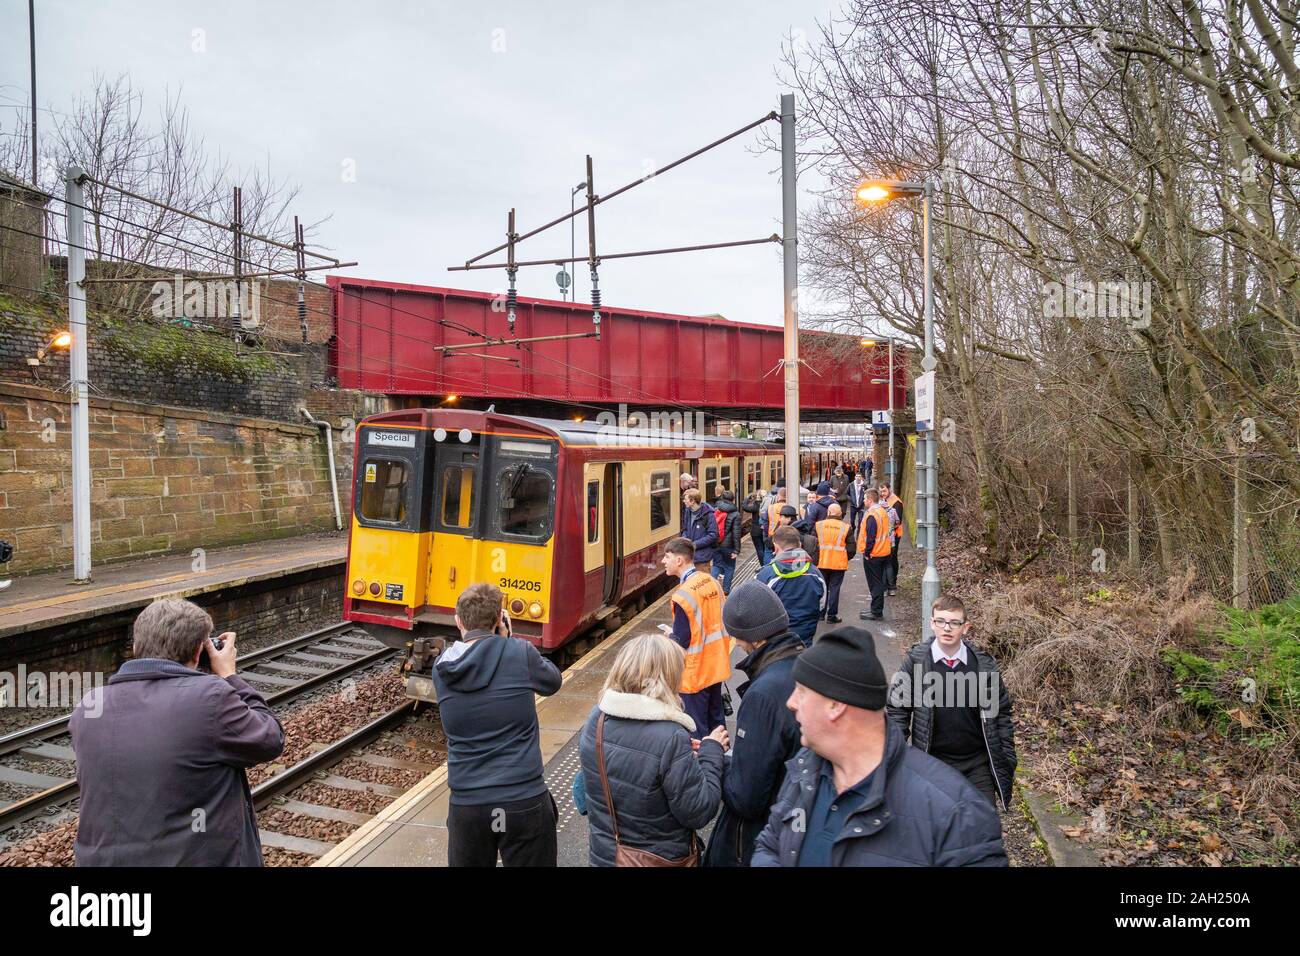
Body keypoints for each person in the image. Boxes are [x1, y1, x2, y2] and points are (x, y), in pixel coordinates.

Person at [751, 625, 1007, 867]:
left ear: (835, 705)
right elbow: (770, 845)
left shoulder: (958, 815)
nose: (791, 702)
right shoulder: (804, 768)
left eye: (802, 691)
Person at [69, 598, 285, 866]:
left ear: (136, 648)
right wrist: (229, 676)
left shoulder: (89, 706)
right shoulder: (211, 698)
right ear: (198, 652)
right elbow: (270, 738)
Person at [433, 582, 563, 866]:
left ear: (458, 621)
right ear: (499, 619)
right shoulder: (519, 652)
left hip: (469, 805)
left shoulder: (442, 668)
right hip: (523, 800)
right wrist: (509, 639)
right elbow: (553, 682)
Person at [579, 633, 728, 867]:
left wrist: (676, 759)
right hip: (658, 859)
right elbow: (698, 811)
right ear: (667, 677)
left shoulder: (596, 721)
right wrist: (712, 750)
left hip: (606, 857)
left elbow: (596, 783)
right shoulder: (671, 737)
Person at [705, 582, 804, 867]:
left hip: (757, 843)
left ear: (755, 639)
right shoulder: (805, 665)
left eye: (738, 637)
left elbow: (745, 797)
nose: (737, 644)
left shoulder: (763, 694)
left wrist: (715, 757)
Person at [888, 594, 1016, 810]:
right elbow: (898, 710)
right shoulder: (916, 661)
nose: (947, 628)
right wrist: (898, 758)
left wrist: (1007, 756)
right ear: (932, 623)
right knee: (937, 829)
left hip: (977, 765)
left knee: (982, 828)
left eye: (954, 623)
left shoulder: (983, 665)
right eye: (941, 621)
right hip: (933, 762)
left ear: (965, 627)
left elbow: (1001, 712)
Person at [662, 536, 731, 737]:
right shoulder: (711, 582)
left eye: (667, 557)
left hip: (695, 673)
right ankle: (722, 759)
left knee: (697, 729)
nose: (663, 562)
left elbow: (681, 641)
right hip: (717, 665)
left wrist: (669, 635)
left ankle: (703, 766)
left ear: (679, 560)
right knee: (717, 722)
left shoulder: (682, 596)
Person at [757, 525, 826, 648]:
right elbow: (821, 605)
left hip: (775, 640)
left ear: (776, 547)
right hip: (805, 636)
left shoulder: (765, 574)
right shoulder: (816, 573)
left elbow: (757, 609)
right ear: (799, 545)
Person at [815, 503, 854, 624]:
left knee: (822, 588)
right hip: (838, 564)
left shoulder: (818, 525)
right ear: (841, 514)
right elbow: (852, 549)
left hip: (821, 562)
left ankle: (820, 614)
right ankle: (831, 616)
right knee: (834, 589)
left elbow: (812, 544)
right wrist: (844, 557)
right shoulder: (846, 527)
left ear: (828, 513)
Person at [857, 489, 891, 621]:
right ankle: (875, 609)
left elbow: (871, 536)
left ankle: (876, 612)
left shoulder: (871, 515)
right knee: (878, 582)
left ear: (870, 500)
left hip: (874, 554)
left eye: (865, 499)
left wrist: (867, 553)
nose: (864, 501)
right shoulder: (882, 511)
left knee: (875, 584)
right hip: (883, 551)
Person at [711, 489, 742, 595]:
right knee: (729, 567)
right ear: (733, 499)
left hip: (716, 542)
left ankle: (712, 588)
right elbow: (736, 533)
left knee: (716, 565)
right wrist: (736, 550)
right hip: (728, 545)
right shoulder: (735, 514)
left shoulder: (715, 509)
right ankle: (725, 590)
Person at [682, 488, 718, 577]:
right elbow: (685, 528)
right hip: (690, 556)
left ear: (692, 501)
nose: (684, 501)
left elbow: (713, 535)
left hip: (702, 558)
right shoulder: (688, 512)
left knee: (703, 583)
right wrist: (684, 539)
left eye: (685, 499)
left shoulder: (708, 515)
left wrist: (695, 544)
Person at [880, 483, 904, 596]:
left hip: (894, 535)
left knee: (891, 560)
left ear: (889, 489)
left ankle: (892, 583)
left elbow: (897, 522)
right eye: (881, 491)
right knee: (889, 561)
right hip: (890, 535)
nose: (882, 493)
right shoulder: (886, 501)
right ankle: (891, 585)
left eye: (884, 491)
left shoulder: (896, 502)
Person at [759, 486, 788, 566]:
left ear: (778, 497)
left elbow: (765, 524)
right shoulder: (791, 507)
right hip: (787, 538)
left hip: (772, 538)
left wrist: (766, 537)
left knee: (769, 558)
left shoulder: (771, 508)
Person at [847, 469, 869, 535]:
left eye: (859, 476)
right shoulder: (851, 485)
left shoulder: (864, 486)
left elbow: (867, 494)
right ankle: (853, 527)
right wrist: (850, 499)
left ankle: (858, 534)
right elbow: (847, 493)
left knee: (860, 521)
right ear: (855, 477)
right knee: (852, 521)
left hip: (861, 506)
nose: (858, 478)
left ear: (861, 477)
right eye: (857, 476)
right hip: (853, 506)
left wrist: (865, 501)